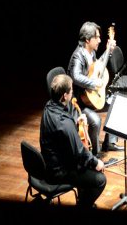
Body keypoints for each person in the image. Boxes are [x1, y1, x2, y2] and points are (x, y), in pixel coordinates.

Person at [40, 74, 106, 207]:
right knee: (100, 179)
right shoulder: (64, 124)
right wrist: (96, 162)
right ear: (65, 96)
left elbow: (62, 135)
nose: (72, 93)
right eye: (71, 91)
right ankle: (83, 205)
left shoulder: (48, 106)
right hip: (59, 172)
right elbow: (79, 153)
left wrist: (74, 124)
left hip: (50, 161)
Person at [67, 21, 123, 154]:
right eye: (96, 37)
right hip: (79, 102)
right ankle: (94, 155)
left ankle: (109, 142)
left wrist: (108, 50)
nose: (99, 40)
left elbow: (98, 66)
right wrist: (94, 83)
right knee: (96, 121)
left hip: (91, 97)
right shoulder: (78, 55)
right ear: (87, 40)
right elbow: (75, 77)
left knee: (117, 102)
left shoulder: (91, 52)